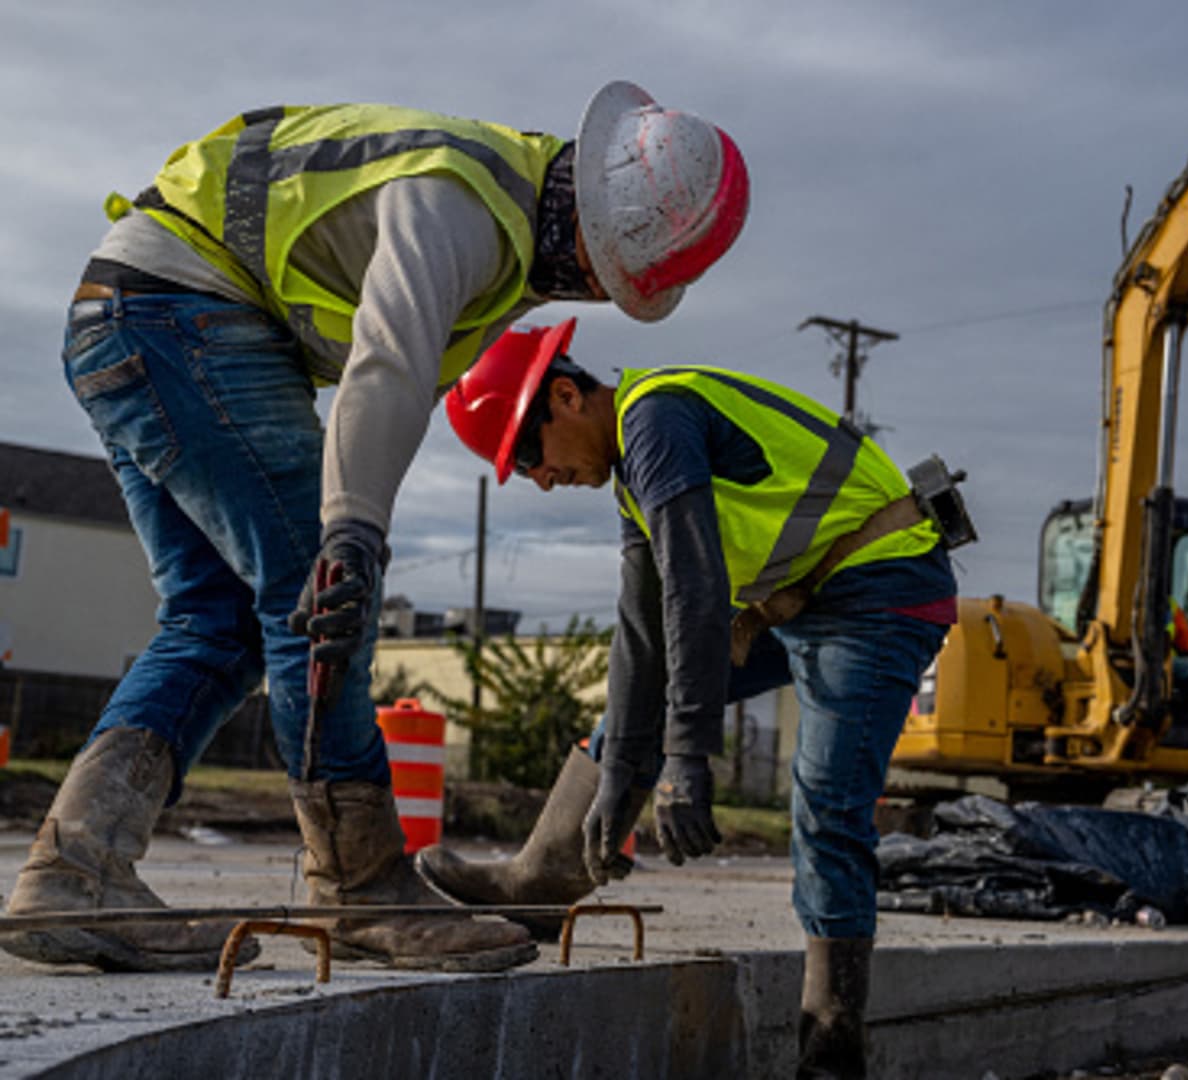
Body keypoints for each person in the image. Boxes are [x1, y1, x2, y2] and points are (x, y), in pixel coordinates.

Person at [2, 83, 749, 975]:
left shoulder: (514, 248)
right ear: (586, 197)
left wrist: (355, 522)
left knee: (218, 619)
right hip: (181, 315)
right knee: (312, 593)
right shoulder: (460, 200)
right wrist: (350, 535)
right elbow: (386, 363)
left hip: (129, 320)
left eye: (612, 289)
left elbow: (405, 394)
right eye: (601, 267)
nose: (592, 289)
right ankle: (357, 886)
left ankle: (74, 869)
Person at [427, 320, 960, 1077]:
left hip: (883, 587)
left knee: (827, 805)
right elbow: (644, 636)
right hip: (808, 595)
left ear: (568, 396)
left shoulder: (657, 419)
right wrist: (619, 776)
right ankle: (541, 882)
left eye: (529, 455)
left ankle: (832, 1046)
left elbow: (696, 586)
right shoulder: (631, 473)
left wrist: (686, 759)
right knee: (636, 704)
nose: (540, 479)